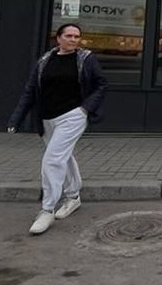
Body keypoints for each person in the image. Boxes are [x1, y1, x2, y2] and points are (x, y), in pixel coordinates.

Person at [7, 23, 108, 236]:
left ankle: (47, 209)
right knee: (63, 156)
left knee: (52, 159)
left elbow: (101, 84)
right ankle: (73, 197)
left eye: (77, 36)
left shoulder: (85, 59)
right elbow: (30, 90)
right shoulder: (45, 61)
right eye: (69, 36)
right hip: (47, 118)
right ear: (58, 38)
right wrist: (17, 117)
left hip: (73, 115)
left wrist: (85, 109)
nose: (73, 40)